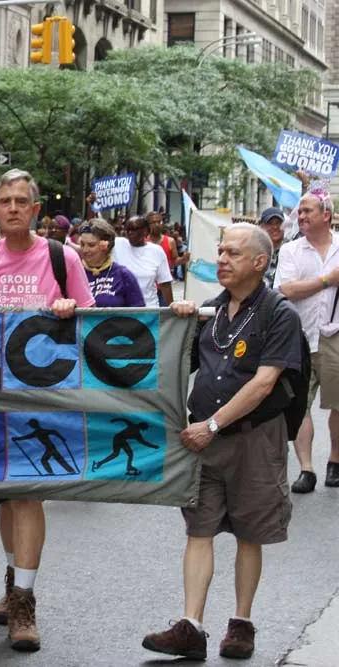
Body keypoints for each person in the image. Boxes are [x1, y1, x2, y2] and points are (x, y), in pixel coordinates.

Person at [0, 169, 94, 652]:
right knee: (6, 497)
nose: (12, 208)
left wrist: (71, 308)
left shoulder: (63, 257)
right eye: (4, 201)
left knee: (28, 495)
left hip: (44, 398)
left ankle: (25, 602)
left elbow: (94, 321)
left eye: (21, 201)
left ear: (35, 209)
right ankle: (13, 580)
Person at [143, 223, 302, 661]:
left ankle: (241, 623)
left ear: (260, 262)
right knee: (199, 529)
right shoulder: (210, 312)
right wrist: (178, 322)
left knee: (250, 532)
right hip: (204, 439)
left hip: (253, 438)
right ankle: (190, 626)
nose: (222, 259)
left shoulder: (279, 314)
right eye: (221, 251)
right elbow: (175, 362)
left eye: (233, 253)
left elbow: (264, 384)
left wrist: (212, 425)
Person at [273, 188, 339, 492]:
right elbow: (286, 290)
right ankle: (306, 469)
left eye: (307, 210)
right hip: (298, 337)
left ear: (326, 215)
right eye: (299, 211)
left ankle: (335, 461)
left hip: (334, 336)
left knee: (338, 405)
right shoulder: (290, 251)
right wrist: (327, 280)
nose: (300, 216)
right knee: (301, 405)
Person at [78, 219, 145, 307]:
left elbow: (139, 312)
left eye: (91, 245)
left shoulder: (123, 275)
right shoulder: (74, 272)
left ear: (106, 246)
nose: (85, 250)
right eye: (82, 244)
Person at [114, 215, 174, 308]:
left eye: (134, 229)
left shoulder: (156, 251)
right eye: (127, 229)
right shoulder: (118, 244)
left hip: (149, 309)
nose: (130, 232)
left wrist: (171, 308)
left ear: (145, 231)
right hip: (122, 309)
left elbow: (165, 283)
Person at [258, 207, 285, 288]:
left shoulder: (291, 250)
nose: (275, 227)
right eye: (270, 223)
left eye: (278, 223)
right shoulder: (254, 251)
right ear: (261, 226)